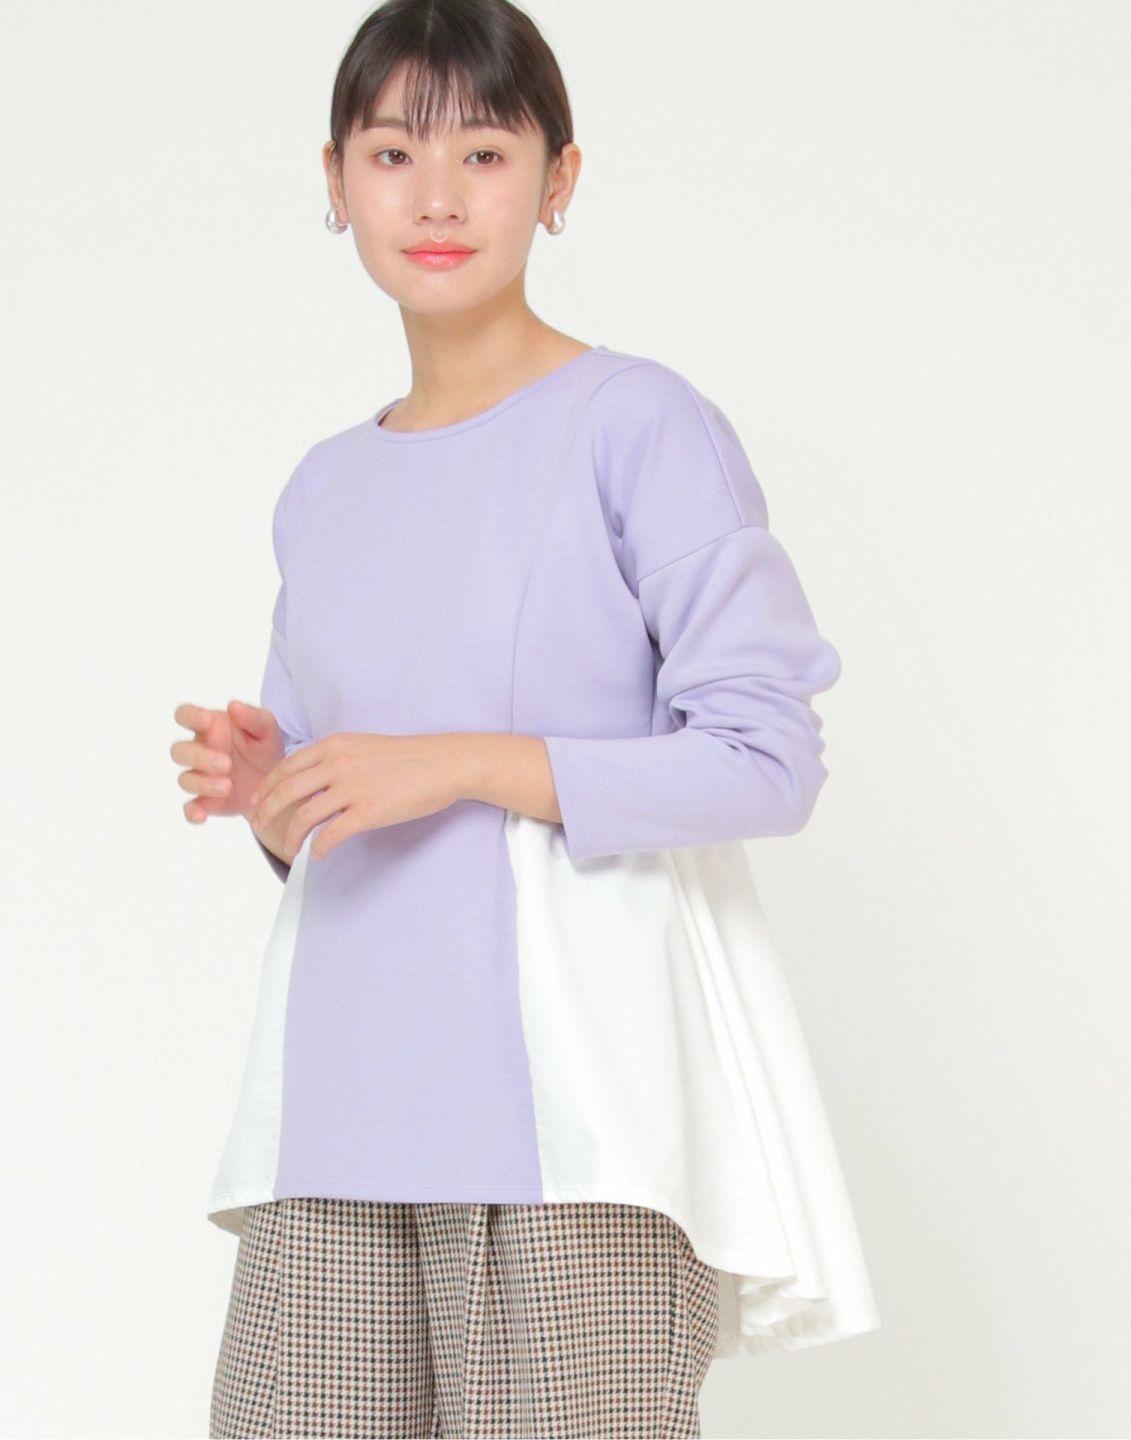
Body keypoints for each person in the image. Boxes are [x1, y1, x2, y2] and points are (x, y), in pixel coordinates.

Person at [171, 0, 881, 1434]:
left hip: (576, 1136)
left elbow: (766, 759)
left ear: (559, 181)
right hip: (335, 1120)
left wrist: (461, 764)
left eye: (485, 154)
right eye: (392, 153)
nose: (436, 198)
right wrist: (274, 794)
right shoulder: (326, 485)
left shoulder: (639, 425)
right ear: (334, 179)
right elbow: (334, 810)